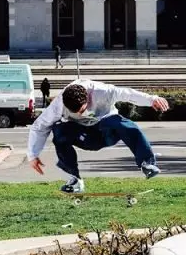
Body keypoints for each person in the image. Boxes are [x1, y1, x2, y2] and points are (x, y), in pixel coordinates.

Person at [27, 79, 169, 193]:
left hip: (106, 132)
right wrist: (32, 155)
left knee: (120, 122)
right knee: (59, 129)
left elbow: (127, 94)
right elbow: (39, 126)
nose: (79, 114)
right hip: (84, 137)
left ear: (87, 98)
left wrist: (152, 99)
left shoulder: (102, 91)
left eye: (81, 110)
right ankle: (75, 180)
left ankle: (147, 163)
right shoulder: (59, 104)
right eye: (74, 112)